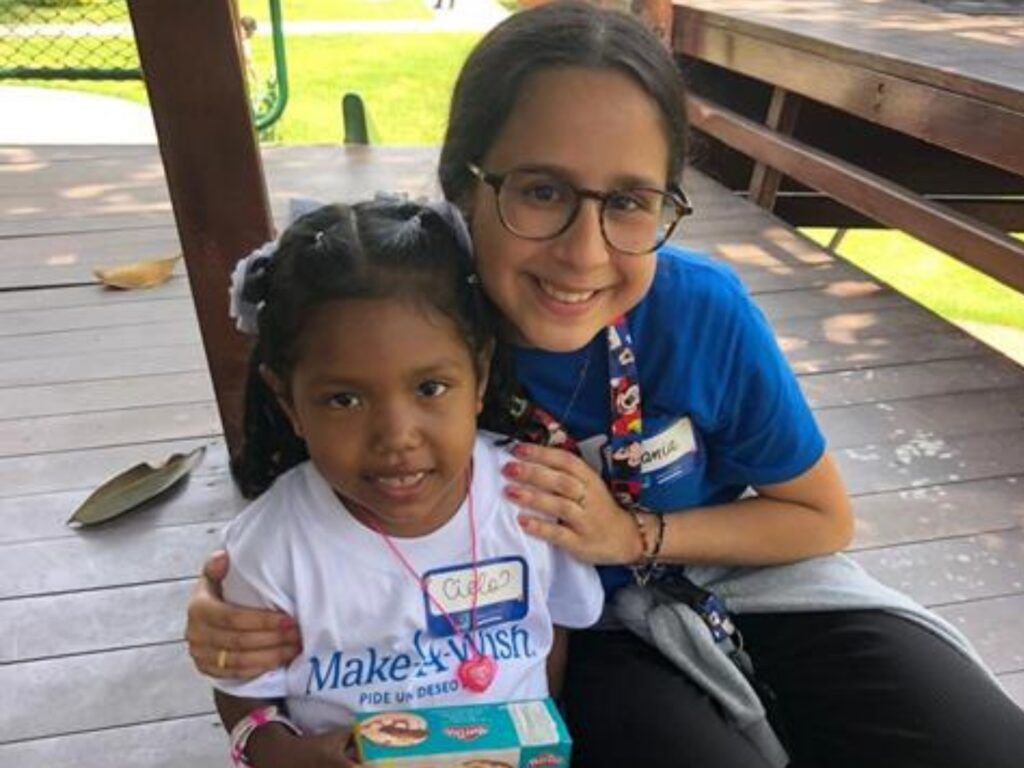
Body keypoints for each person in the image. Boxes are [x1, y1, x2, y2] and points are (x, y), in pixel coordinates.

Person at [188, 3, 1024, 767]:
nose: (585, 252)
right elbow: (314, 511)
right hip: (554, 631)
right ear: (461, 183)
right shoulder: (412, 331)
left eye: (629, 201)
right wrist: (226, 612)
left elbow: (821, 517)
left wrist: (633, 536)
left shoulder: (699, 311)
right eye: (541, 191)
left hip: (742, 580)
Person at [209, 199, 604, 767]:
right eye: (344, 399)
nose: (396, 436)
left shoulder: (532, 498)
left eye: (430, 388)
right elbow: (244, 694)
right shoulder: (271, 549)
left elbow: (554, 634)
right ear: (288, 401)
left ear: (480, 373)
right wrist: (286, 755)